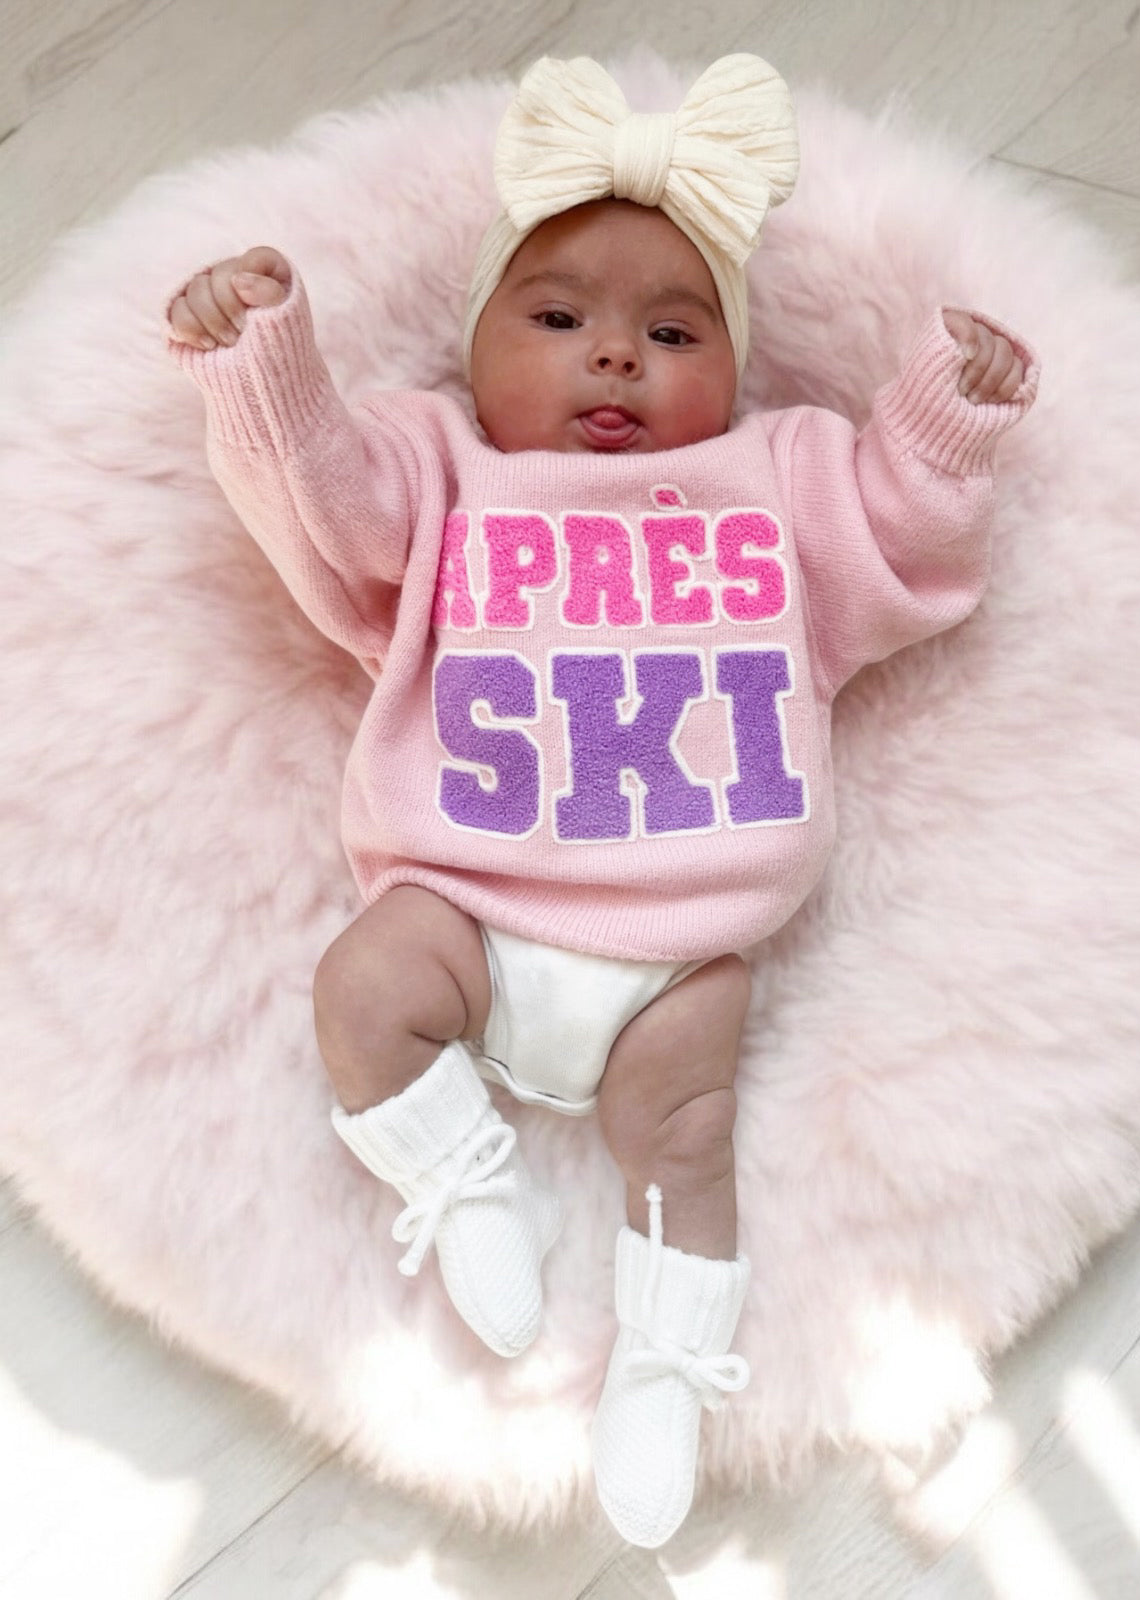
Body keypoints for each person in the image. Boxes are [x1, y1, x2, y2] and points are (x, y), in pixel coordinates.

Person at [163, 52, 1038, 1548]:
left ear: (737, 372)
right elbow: (322, 498)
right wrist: (266, 360)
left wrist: (944, 417)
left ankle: (666, 1364)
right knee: (361, 988)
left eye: (672, 329)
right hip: (466, 902)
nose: (615, 357)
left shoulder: (777, 486)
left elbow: (904, 541)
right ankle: (458, 1170)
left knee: (683, 1135)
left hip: (681, 943)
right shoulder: (443, 475)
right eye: (559, 319)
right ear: (480, 347)